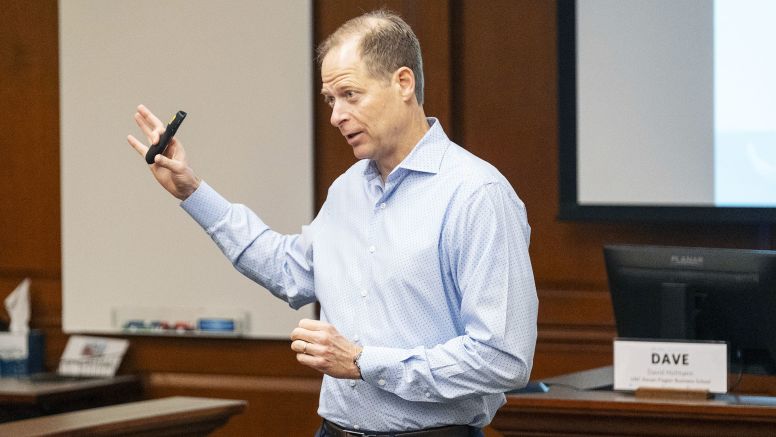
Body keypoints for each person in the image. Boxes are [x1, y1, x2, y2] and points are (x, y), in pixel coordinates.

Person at [127, 9, 537, 437]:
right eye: (329, 99)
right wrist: (192, 191)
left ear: (403, 83)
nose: (335, 116)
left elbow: (503, 357)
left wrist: (363, 362)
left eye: (349, 95)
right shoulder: (347, 190)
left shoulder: (477, 195)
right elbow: (290, 271)